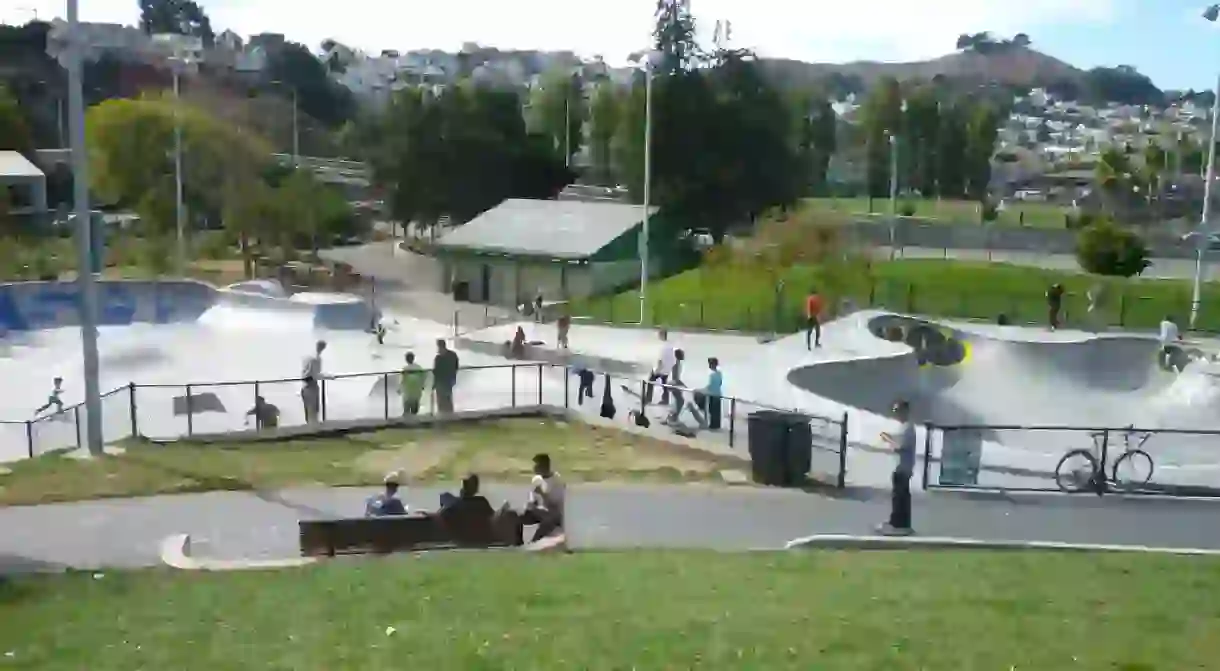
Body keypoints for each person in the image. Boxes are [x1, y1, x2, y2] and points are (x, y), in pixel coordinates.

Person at [878, 400, 917, 536]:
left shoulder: (908, 428)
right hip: (901, 467)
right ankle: (897, 522)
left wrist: (887, 439)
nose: (896, 415)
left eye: (897, 411)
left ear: (904, 411)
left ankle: (899, 524)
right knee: (899, 496)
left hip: (903, 468)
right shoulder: (905, 428)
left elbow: (900, 446)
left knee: (900, 497)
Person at [521, 453, 565, 542]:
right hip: (538, 511)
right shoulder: (536, 479)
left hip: (553, 514)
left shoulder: (557, 480)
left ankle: (534, 541)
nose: (534, 468)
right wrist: (529, 506)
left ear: (545, 466)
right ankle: (517, 542)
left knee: (549, 519)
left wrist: (542, 494)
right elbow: (533, 500)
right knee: (514, 515)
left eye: (536, 465)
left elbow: (554, 506)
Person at [645, 329, 676, 406]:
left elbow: (661, 361)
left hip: (661, 369)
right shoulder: (670, 345)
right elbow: (672, 358)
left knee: (650, 381)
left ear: (662, 335)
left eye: (659, 335)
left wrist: (656, 370)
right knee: (664, 384)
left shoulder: (663, 347)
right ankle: (665, 400)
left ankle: (648, 399)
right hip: (667, 369)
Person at [301, 339, 327, 423]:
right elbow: (315, 375)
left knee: (308, 412)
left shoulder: (307, 356)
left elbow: (306, 372)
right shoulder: (316, 358)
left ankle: (309, 428)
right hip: (312, 385)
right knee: (314, 412)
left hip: (305, 386)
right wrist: (328, 376)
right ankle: (314, 429)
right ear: (323, 348)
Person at [694, 357, 723, 430]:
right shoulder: (719, 373)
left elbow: (709, 385)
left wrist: (700, 390)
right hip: (718, 393)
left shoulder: (711, 374)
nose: (709, 365)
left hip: (712, 394)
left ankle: (711, 424)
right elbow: (720, 383)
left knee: (711, 410)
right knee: (716, 411)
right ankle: (716, 425)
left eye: (710, 364)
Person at [432, 339, 460, 414]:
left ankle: (443, 416)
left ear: (439, 346)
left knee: (441, 401)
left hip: (441, 382)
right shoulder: (453, 355)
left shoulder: (438, 358)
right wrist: (454, 376)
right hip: (449, 381)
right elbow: (456, 367)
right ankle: (450, 415)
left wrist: (434, 384)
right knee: (448, 399)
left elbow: (436, 372)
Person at [664, 349, 687, 425]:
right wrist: (683, 385)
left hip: (674, 384)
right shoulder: (676, 365)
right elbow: (675, 378)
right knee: (680, 401)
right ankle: (673, 418)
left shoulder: (678, 365)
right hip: (673, 385)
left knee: (678, 401)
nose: (684, 355)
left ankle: (671, 417)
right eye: (682, 354)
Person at [401, 351, 427, 416]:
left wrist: (400, 389)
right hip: (417, 392)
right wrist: (422, 386)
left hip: (408, 393)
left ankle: (407, 422)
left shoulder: (405, 369)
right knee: (414, 410)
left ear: (406, 360)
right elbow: (423, 378)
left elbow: (403, 380)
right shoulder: (419, 368)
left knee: (406, 409)